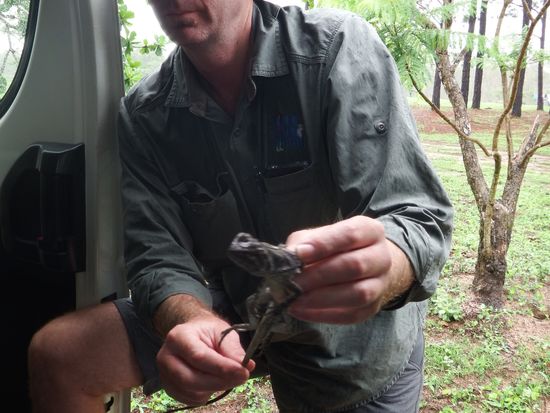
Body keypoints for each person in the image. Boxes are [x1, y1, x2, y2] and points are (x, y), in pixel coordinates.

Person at [27, 1, 454, 412]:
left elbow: (416, 216)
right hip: (234, 301)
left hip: (351, 338)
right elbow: (157, 255)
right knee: (60, 354)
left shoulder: (335, 49)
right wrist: (189, 320)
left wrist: (387, 266)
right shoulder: (145, 116)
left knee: (337, 387)